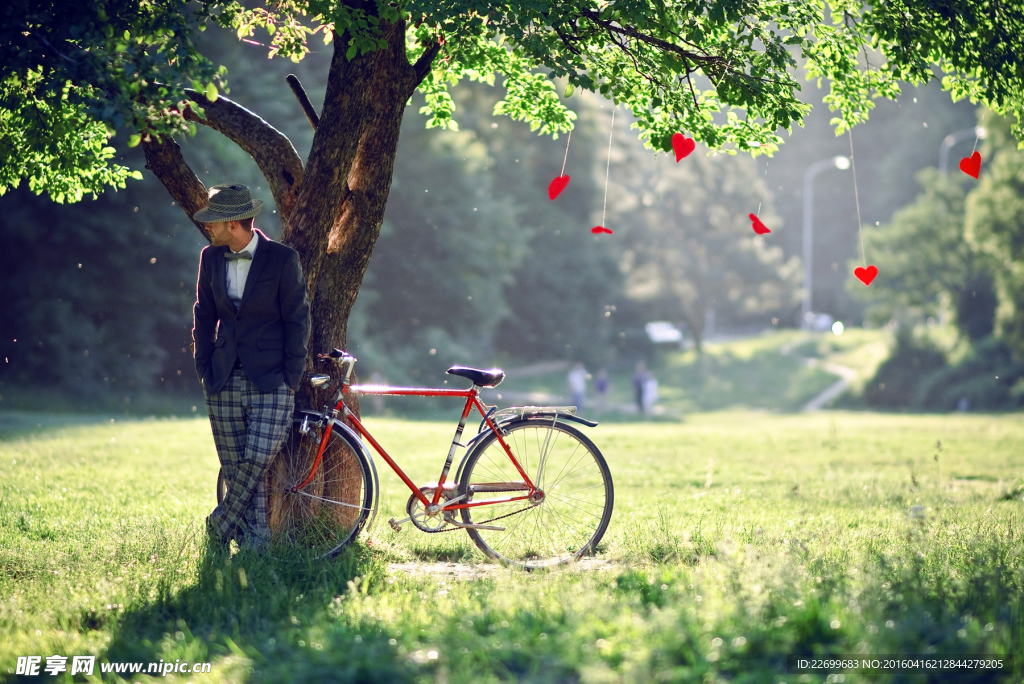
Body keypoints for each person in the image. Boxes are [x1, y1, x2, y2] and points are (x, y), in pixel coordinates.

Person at [192, 183, 311, 551]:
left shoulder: (282, 259)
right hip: (223, 376)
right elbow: (204, 314)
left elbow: (298, 319)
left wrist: (292, 377)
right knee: (236, 467)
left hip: (273, 378)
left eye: (213, 222)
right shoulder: (210, 258)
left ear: (232, 224)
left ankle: (219, 524)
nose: (207, 228)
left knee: (258, 458)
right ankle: (255, 546)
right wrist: (204, 367)